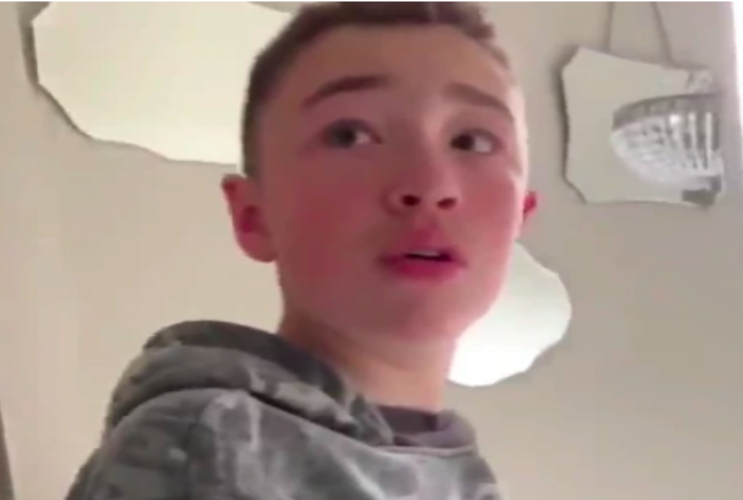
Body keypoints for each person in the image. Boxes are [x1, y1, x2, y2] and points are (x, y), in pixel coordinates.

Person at [65, 2, 536, 499]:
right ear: (253, 216)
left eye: (472, 141)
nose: (429, 185)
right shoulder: (206, 452)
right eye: (350, 135)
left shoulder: (467, 480)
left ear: (519, 218)